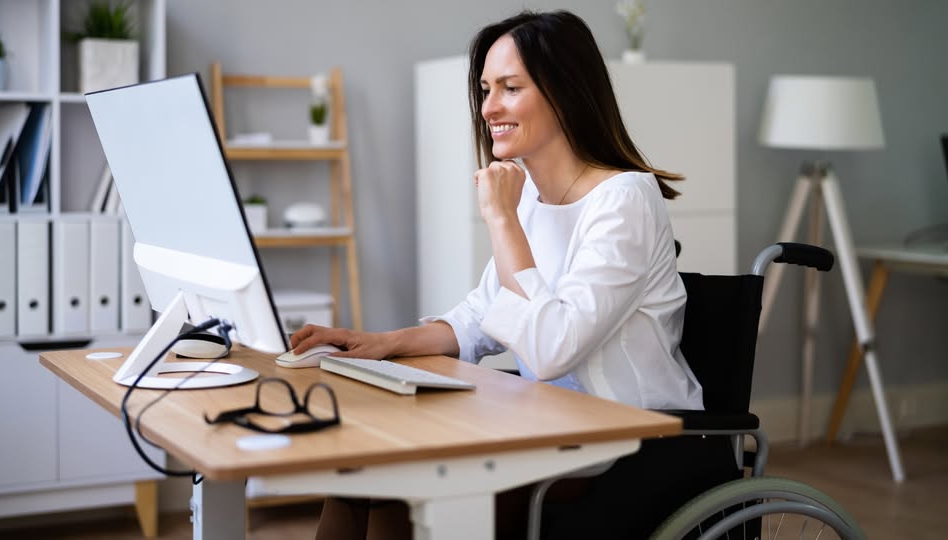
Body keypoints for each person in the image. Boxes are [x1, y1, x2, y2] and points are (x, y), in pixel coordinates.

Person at [298, 9, 738, 540]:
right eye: (486, 89)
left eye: (510, 87)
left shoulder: (625, 200)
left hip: (632, 440)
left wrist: (501, 218)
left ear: (564, 93)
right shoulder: (529, 194)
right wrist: (381, 342)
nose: (489, 108)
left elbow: (553, 349)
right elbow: (482, 316)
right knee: (363, 473)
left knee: (417, 485)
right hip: (550, 424)